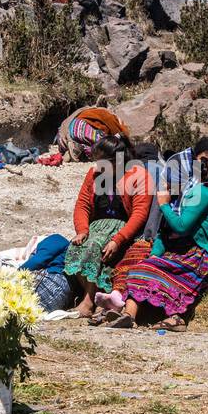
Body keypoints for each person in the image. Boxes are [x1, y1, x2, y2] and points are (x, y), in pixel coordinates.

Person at [112, 169, 208, 330]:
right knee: (140, 268)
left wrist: (164, 205)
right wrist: (153, 256)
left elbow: (181, 227)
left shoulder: (199, 194)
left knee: (178, 277)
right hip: (182, 253)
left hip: (205, 257)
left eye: (168, 179)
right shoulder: (177, 198)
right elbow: (164, 232)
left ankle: (178, 318)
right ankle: (128, 316)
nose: (165, 184)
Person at [63, 134, 152, 318]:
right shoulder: (94, 175)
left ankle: (89, 301)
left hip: (123, 230)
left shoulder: (138, 175)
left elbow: (139, 213)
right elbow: (82, 205)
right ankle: (90, 298)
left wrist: (118, 239)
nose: (98, 167)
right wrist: (82, 230)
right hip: (96, 227)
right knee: (77, 247)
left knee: (97, 247)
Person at [19, 234, 74, 313]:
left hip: (52, 281)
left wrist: (14, 274)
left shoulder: (55, 239)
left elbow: (37, 261)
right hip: (63, 298)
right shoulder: (68, 251)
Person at [56, 106, 130, 162]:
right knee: (104, 146)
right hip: (85, 129)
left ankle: (74, 147)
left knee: (94, 143)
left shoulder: (89, 111)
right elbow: (120, 136)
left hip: (70, 130)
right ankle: (78, 149)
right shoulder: (112, 118)